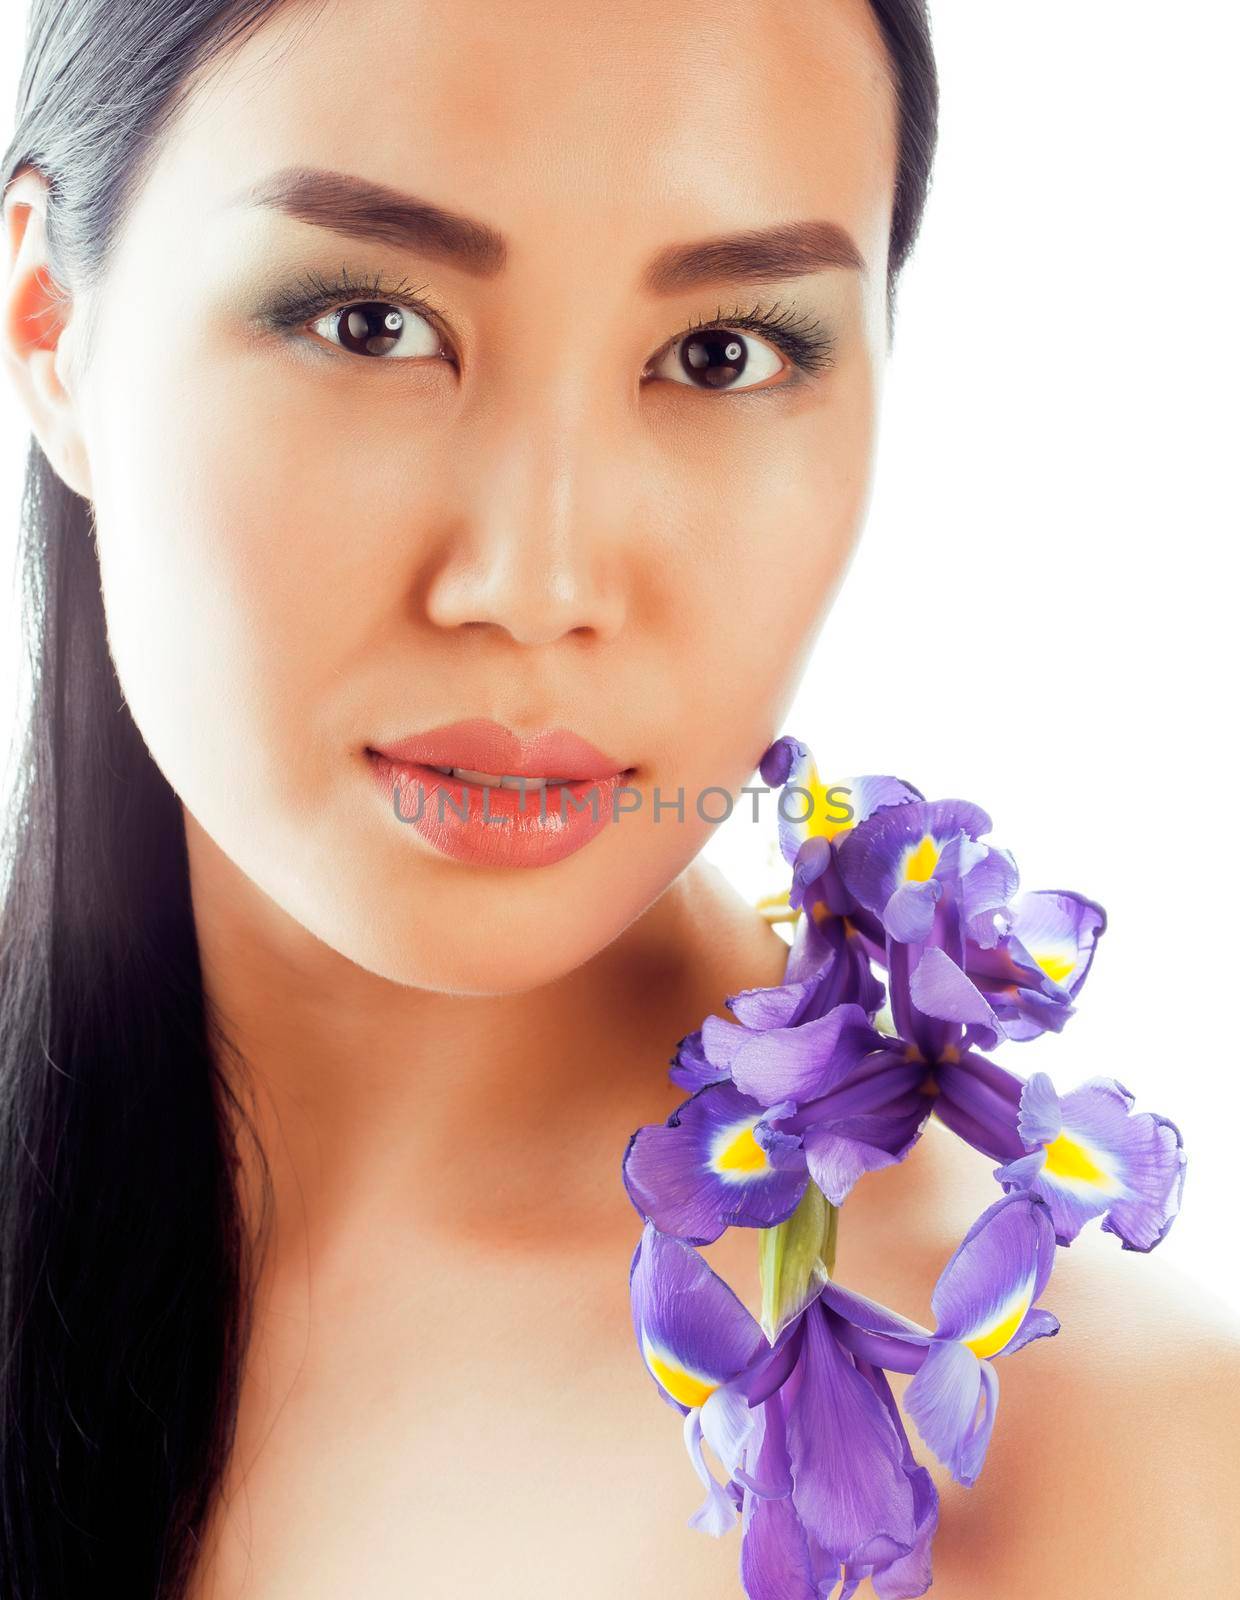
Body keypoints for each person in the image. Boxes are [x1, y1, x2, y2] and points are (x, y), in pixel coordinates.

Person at [0, 1, 1235, 1595]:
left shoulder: (1093, 1479)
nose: (537, 581)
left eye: (723, 353)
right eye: (370, 322)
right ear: (49, 321)